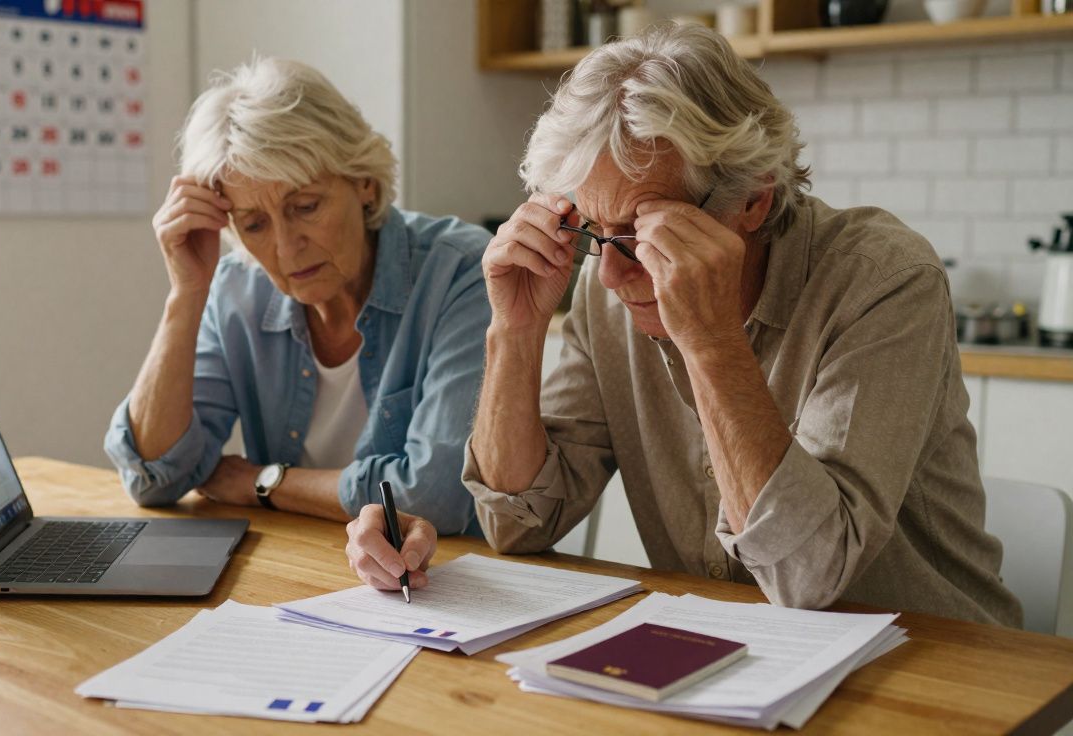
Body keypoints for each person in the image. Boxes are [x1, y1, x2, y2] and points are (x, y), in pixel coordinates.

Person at [344, 23, 1021, 626]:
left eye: (645, 232)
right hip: (739, 658)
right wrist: (515, 332)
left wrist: (712, 338)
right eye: (598, 233)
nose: (611, 276)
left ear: (752, 200)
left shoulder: (883, 280)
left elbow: (809, 572)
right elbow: (521, 522)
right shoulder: (610, 282)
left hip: (935, 665)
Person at [105, 57, 491, 535]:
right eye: (254, 224)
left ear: (364, 183)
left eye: (305, 207)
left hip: (441, 586)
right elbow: (154, 477)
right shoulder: (234, 288)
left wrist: (263, 483)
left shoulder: (461, 271)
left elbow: (433, 498)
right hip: (297, 572)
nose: (286, 249)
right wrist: (186, 294)